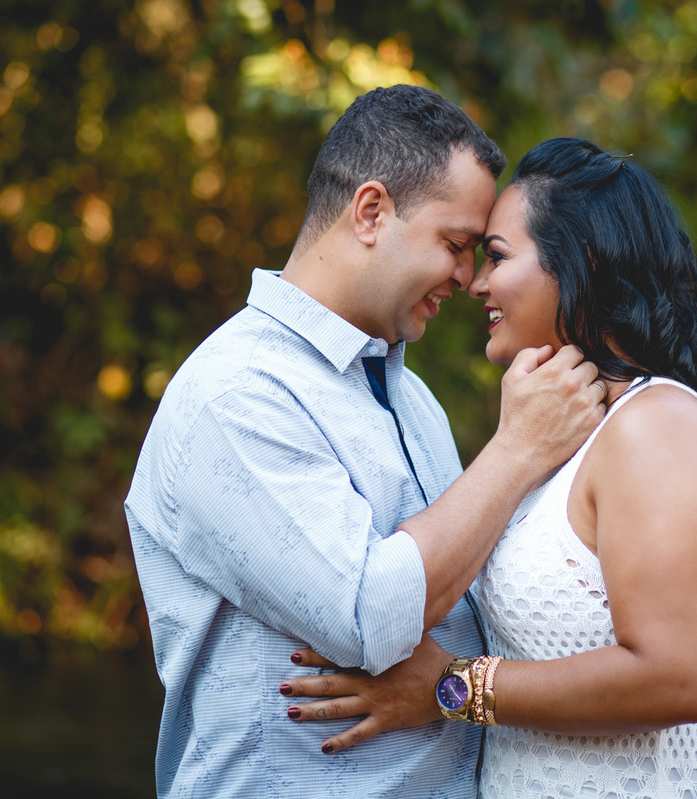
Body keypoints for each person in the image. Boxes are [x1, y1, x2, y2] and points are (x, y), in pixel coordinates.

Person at [124, 91, 607, 798]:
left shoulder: (412, 399)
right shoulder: (236, 396)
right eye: (455, 245)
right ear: (371, 211)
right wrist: (519, 450)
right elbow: (368, 617)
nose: (469, 278)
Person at [283, 137, 697, 798]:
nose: (475, 283)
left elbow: (678, 676)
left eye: (496, 256)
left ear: (586, 261)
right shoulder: (567, 436)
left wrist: (452, 686)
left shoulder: (659, 427)